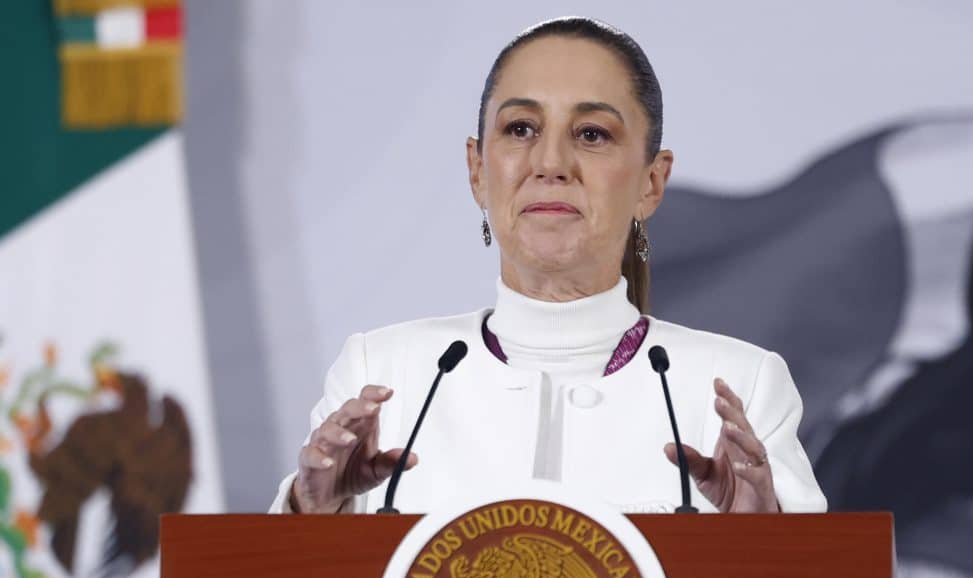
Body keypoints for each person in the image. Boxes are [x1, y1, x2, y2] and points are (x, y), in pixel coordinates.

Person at [269, 17, 826, 515]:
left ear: (651, 182)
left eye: (591, 134)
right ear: (477, 169)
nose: (551, 162)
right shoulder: (386, 375)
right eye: (520, 129)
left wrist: (762, 541)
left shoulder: (737, 389)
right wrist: (311, 514)